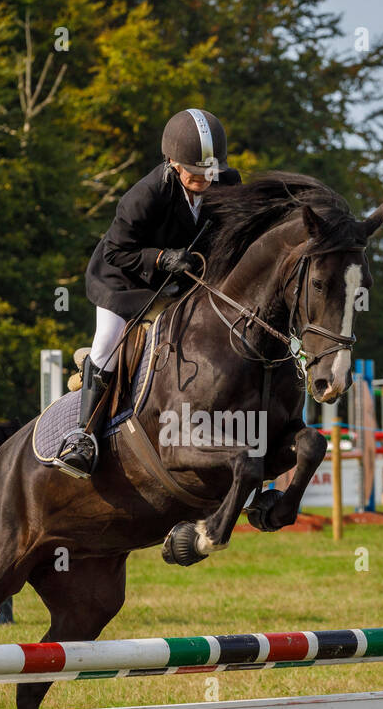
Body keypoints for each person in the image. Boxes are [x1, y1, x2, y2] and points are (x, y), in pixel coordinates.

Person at [54, 108, 242, 478]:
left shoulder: (226, 182)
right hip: (124, 277)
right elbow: (116, 251)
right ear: (172, 161)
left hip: (178, 278)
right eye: (195, 169)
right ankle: (82, 437)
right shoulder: (147, 193)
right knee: (109, 338)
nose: (204, 177)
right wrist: (162, 258)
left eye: (210, 169)